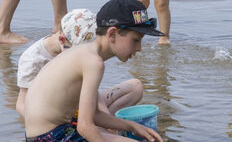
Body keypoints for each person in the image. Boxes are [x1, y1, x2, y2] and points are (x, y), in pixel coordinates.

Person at [22, 0, 163, 142]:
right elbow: (84, 126)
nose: (139, 48)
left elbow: (94, 115)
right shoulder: (94, 63)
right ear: (112, 34)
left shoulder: (85, 52)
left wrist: (132, 126)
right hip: (49, 138)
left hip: (37, 136)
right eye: (136, 39)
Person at [15, 8, 143, 117]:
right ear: (62, 40)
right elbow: (21, 104)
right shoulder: (33, 58)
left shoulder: (88, 51)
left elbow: (93, 92)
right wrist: (45, 120)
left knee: (135, 87)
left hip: (78, 104)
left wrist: (107, 118)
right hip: (53, 113)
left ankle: (103, 122)